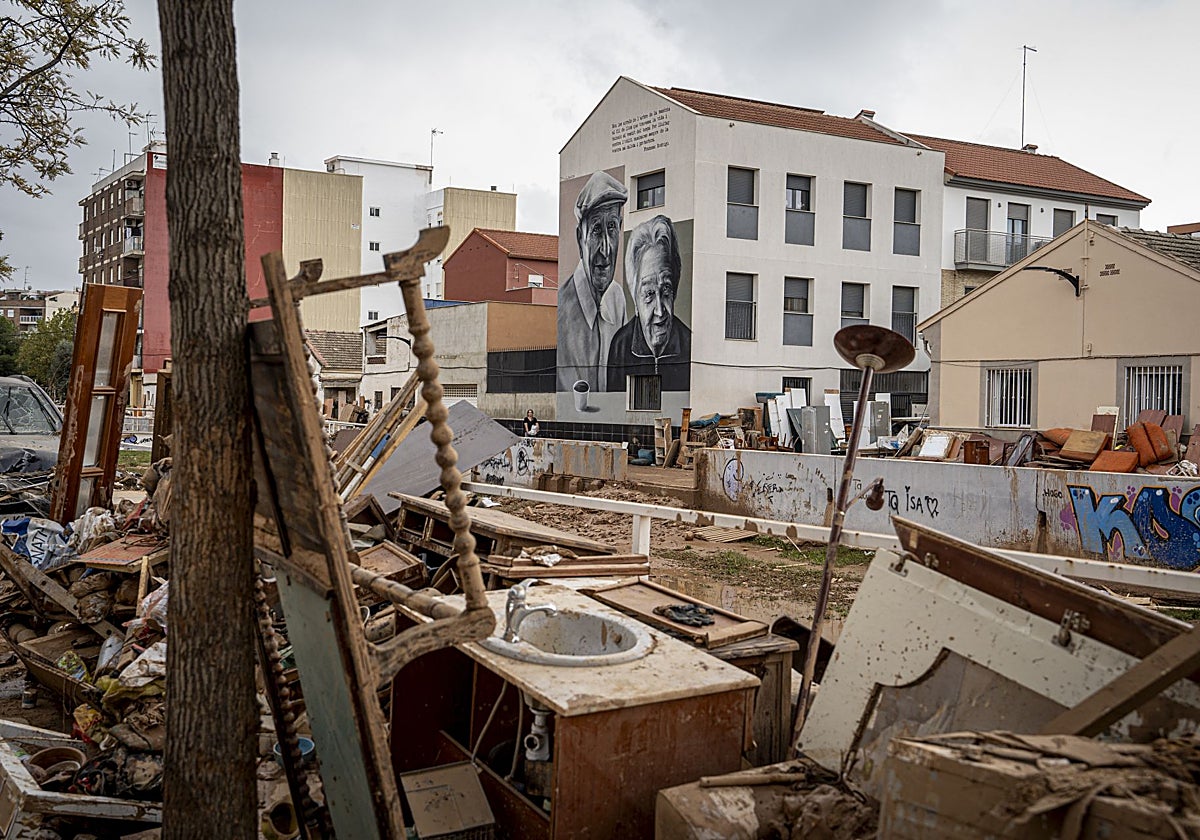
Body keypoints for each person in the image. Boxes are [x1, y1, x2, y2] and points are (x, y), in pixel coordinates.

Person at [557, 171, 628, 395]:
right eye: (597, 230)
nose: (606, 250)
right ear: (580, 238)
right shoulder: (563, 311)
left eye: (612, 229)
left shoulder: (617, 298)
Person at [607, 215, 691, 392]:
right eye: (649, 294)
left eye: (666, 289)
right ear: (635, 298)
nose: (660, 311)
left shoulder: (689, 344)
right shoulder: (621, 346)